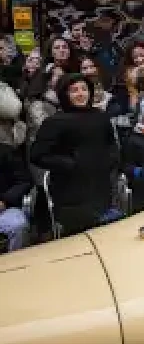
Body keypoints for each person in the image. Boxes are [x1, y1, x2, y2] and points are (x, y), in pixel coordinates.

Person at [30, 73, 119, 237]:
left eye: (84, 89)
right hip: (70, 192)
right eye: (74, 90)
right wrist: (69, 163)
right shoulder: (55, 122)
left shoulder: (100, 117)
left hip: (101, 188)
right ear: (65, 94)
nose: (80, 94)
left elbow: (111, 144)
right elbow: (37, 155)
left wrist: (109, 160)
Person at [0, 84, 31, 251]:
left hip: (4, 208)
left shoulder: (5, 151)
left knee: (18, 226)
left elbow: (24, 181)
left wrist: (4, 201)